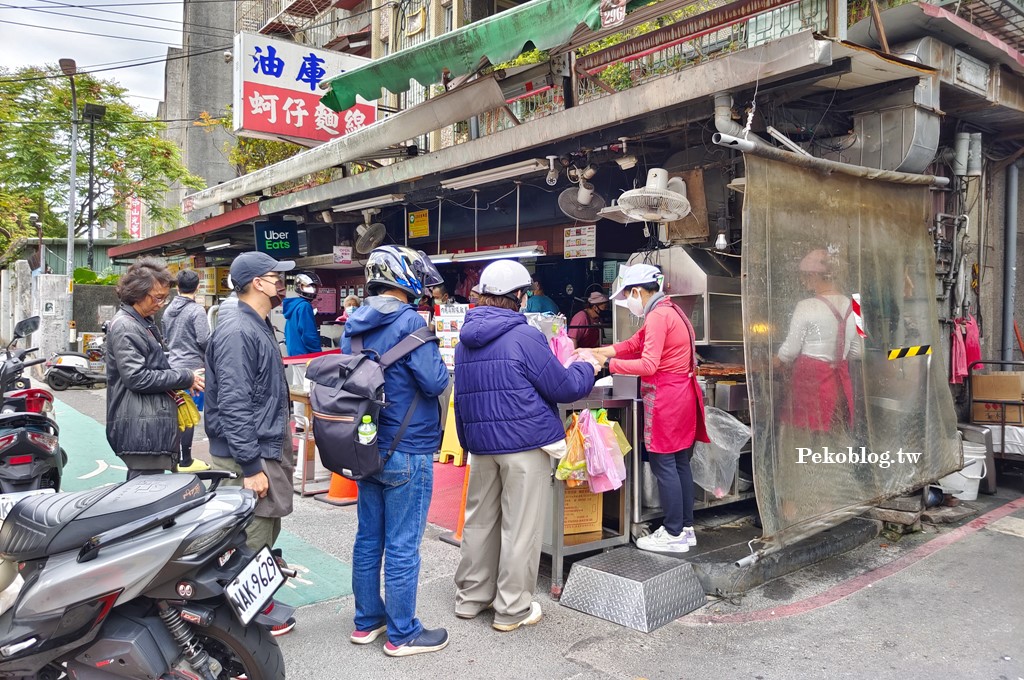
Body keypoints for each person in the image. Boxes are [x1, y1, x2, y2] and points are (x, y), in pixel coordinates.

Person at [453, 260, 597, 631]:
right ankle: (512, 609)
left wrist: (470, 443)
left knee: (479, 522)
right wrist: (587, 366)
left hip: (481, 445)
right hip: (524, 444)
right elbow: (564, 387)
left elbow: (463, 397)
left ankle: (471, 598)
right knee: (519, 528)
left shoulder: (465, 339)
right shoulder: (524, 335)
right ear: (518, 296)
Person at [343, 245, 451, 657]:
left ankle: (367, 621)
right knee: (404, 543)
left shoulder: (354, 322)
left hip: (365, 444)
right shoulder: (410, 322)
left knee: (368, 539)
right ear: (406, 276)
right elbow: (435, 383)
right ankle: (403, 633)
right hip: (408, 447)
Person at [205, 251, 297, 636]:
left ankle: (259, 610)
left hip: (262, 445)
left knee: (265, 530)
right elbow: (234, 401)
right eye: (278, 277)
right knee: (250, 536)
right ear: (258, 283)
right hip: (249, 452)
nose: (283, 284)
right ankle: (244, 627)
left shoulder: (254, 322)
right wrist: (250, 466)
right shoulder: (238, 330)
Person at [588, 264, 708, 553]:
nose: (628, 301)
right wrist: (599, 351)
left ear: (639, 291)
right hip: (682, 396)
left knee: (663, 464)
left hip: (666, 398)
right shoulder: (671, 311)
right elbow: (634, 343)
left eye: (628, 294)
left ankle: (673, 532)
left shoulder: (658, 316)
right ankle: (685, 528)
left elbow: (648, 364)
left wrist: (606, 364)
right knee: (680, 463)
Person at [105, 257, 205, 479]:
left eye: (164, 298)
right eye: (158, 298)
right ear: (138, 294)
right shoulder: (126, 326)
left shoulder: (140, 321)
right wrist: (184, 377)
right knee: (144, 496)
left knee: (149, 493)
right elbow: (137, 377)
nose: (161, 304)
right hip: (140, 427)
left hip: (145, 424)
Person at [774, 248, 862, 432]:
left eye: (804, 277)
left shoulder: (805, 306)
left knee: (804, 445)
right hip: (840, 391)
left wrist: (773, 362)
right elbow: (858, 351)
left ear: (814, 275)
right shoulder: (855, 306)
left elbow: (790, 350)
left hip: (810, 390)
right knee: (834, 447)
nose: (803, 281)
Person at [161, 269, 212, 473]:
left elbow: (165, 339)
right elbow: (203, 340)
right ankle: (187, 459)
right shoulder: (196, 311)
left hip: (173, 366)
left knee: (179, 413)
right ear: (198, 286)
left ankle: (175, 457)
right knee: (189, 414)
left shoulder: (167, 311)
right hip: (194, 369)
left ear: (177, 287)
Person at [282, 271, 322, 356]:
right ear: (299, 287)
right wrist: (318, 353)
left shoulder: (294, 306)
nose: (313, 290)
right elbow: (308, 334)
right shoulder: (304, 306)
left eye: (314, 287)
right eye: (308, 286)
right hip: (306, 356)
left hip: (295, 355)